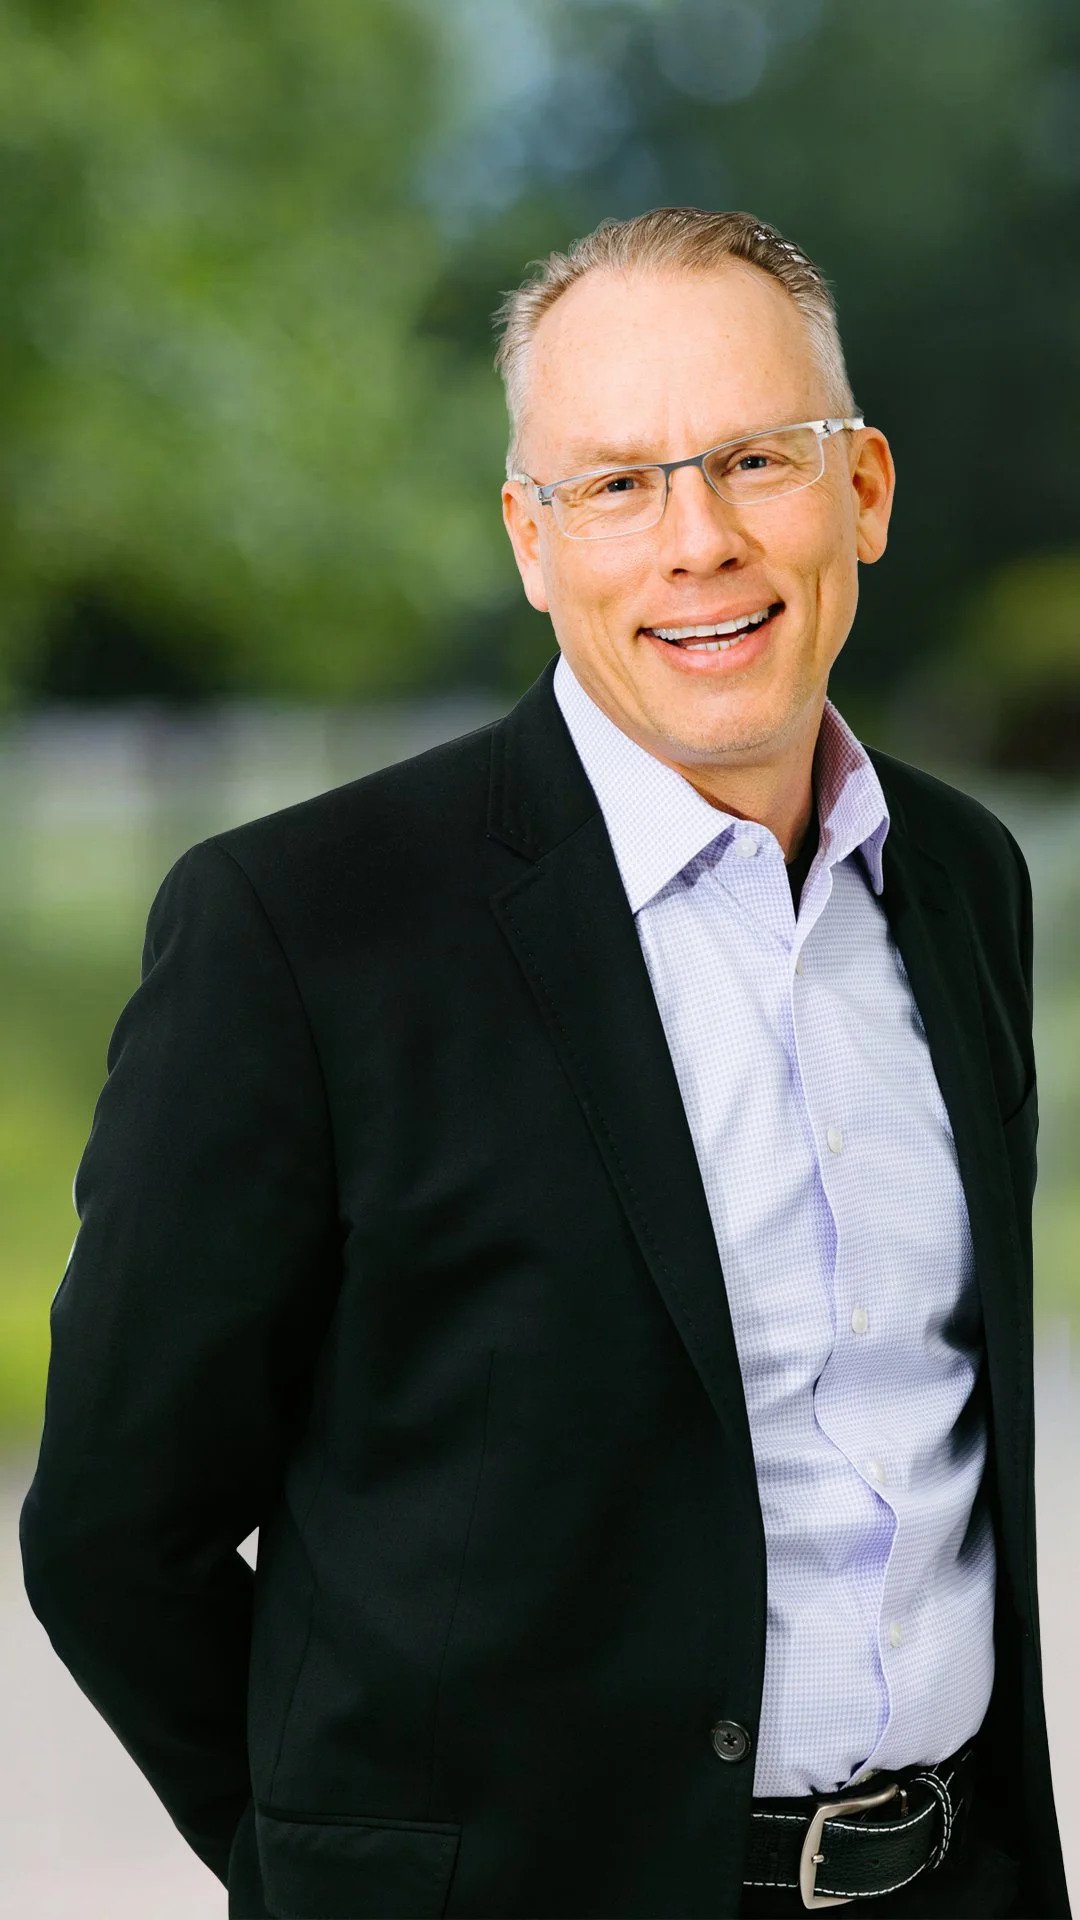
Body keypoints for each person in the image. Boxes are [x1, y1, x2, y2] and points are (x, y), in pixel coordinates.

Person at [19, 207, 1069, 1920]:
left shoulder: (961, 879)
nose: (699, 542)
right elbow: (112, 1538)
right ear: (532, 537)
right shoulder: (300, 931)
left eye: (756, 460)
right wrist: (349, 1879)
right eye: (618, 483)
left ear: (864, 489)